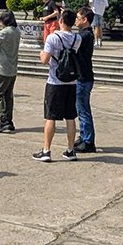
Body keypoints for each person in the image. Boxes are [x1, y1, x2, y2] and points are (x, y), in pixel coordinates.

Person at [34, 10, 81, 162]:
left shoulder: (53, 37)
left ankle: (46, 150)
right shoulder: (77, 38)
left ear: (60, 20)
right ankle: (70, 150)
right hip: (71, 81)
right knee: (70, 116)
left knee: (50, 117)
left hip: (55, 81)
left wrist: (41, 54)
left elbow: (45, 59)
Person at [72, 6, 98, 152]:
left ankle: (88, 141)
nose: (76, 20)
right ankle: (83, 135)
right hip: (82, 75)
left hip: (83, 76)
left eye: (78, 17)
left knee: (83, 109)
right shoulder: (84, 34)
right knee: (80, 108)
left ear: (85, 19)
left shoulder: (85, 35)